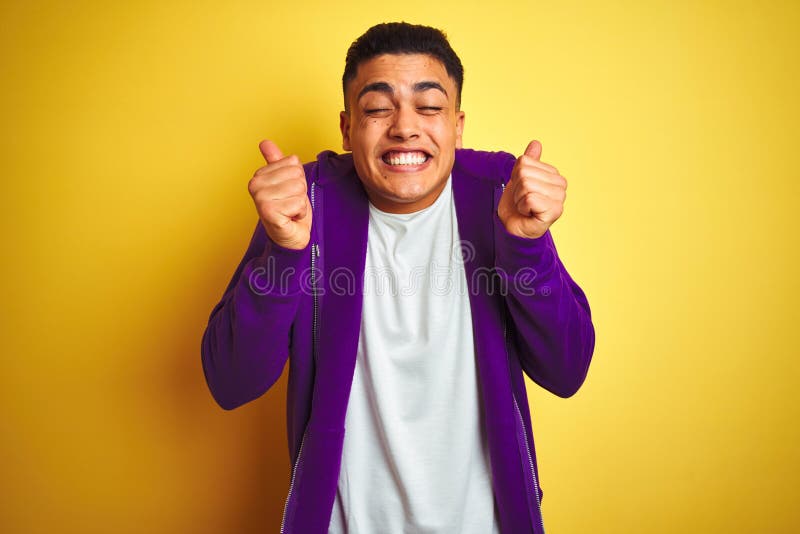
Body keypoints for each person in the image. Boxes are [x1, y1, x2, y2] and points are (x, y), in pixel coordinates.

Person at [201, 22, 595, 534]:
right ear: (346, 129)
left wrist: (526, 247)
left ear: (457, 125)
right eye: (377, 108)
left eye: (429, 108)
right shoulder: (307, 203)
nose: (405, 127)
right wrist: (283, 253)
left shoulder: (501, 195)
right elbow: (231, 381)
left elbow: (566, 371)